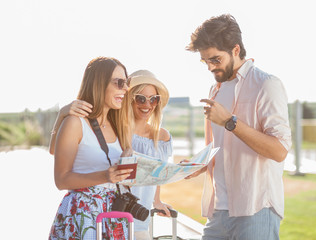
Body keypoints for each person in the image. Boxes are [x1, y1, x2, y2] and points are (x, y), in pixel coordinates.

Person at [185, 14, 292, 240]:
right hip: (218, 211)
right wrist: (197, 165)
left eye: (215, 59)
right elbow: (216, 148)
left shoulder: (266, 85)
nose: (210, 68)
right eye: (206, 61)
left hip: (255, 210)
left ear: (235, 50)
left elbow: (279, 150)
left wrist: (230, 122)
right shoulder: (215, 90)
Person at [49, 70, 173, 240]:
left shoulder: (159, 136)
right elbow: (58, 155)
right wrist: (62, 115)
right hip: (101, 213)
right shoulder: (117, 127)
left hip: (126, 216)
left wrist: (157, 201)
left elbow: (155, 173)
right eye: (141, 98)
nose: (147, 104)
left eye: (154, 99)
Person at [48, 56, 134, 240]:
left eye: (127, 83)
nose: (126, 89)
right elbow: (61, 180)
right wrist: (105, 175)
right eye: (120, 83)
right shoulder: (75, 123)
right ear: (99, 84)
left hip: (114, 217)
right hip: (83, 216)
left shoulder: (117, 125)